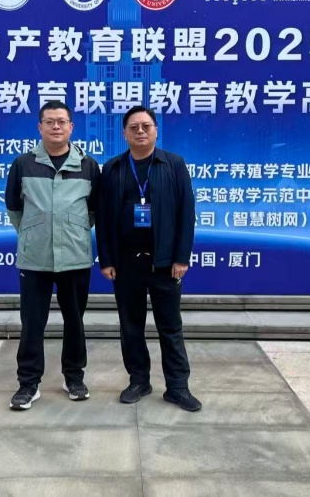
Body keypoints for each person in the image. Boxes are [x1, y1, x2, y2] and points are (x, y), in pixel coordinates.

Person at [96, 106, 202, 412]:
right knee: (131, 326)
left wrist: (181, 257)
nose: (140, 131)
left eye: (146, 126)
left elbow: (186, 214)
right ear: (124, 133)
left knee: (170, 326)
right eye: (134, 127)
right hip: (126, 263)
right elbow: (103, 218)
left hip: (165, 263)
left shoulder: (173, 164)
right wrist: (106, 259)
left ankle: (178, 387)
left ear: (156, 130)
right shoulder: (113, 168)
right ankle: (138, 381)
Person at [5, 100, 101, 410]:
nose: (56, 126)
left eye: (61, 121)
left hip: (75, 257)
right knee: (32, 322)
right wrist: (34, 234)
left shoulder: (88, 165)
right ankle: (28, 383)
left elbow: (93, 210)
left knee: (74, 321)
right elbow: (14, 208)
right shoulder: (23, 164)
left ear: (71, 127)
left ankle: (74, 377)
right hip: (35, 259)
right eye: (49, 121)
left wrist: (71, 231)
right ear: (40, 127)